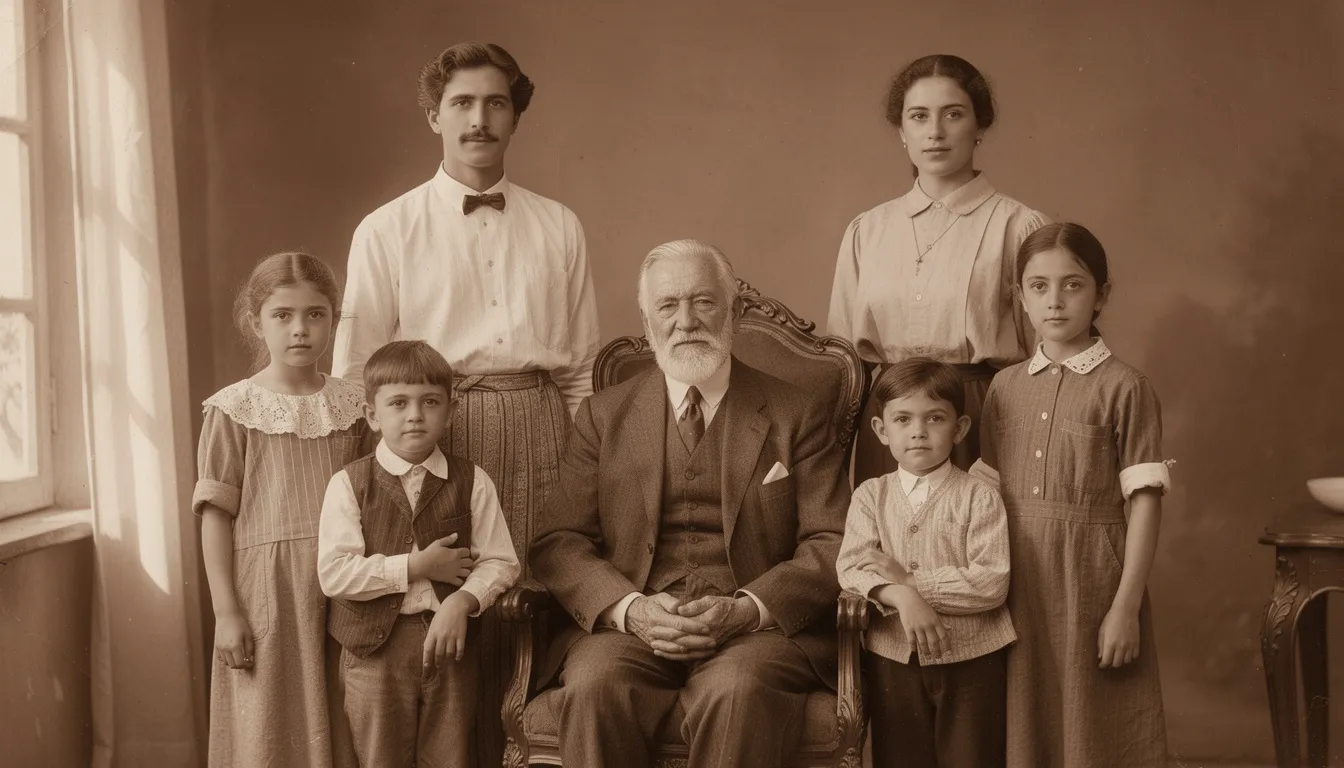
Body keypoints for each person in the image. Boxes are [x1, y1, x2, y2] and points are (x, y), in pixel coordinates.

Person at [331, 41, 599, 765]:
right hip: (431, 428)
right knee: (439, 613)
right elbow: (357, 376)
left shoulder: (559, 224)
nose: (479, 119)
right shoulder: (388, 228)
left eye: (496, 103)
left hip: (541, 427)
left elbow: (578, 371)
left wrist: (582, 464)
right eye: (462, 104)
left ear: (516, 117)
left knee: (532, 595)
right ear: (433, 117)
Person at [529, 239, 851, 768]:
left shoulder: (796, 412)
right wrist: (631, 611)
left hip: (755, 633)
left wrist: (746, 609)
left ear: (735, 311)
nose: (686, 321)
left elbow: (831, 540)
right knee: (593, 685)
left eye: (703, 301)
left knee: (736, 690)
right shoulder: (603, 416)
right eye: (667, 305)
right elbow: (559, 542)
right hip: (637, 620)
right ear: (646, 317)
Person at [974, 222, 1170, 767]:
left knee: (1095, 721)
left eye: (1073, 284)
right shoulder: (1004, 387)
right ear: (1019, 296)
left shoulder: (1125, 387)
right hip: (1015, 581)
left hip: (1092, 582)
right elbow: (985, 497)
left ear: (1102, 294)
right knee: (1024, 719)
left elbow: (1146, 502)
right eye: (1038, 286)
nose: (1054, 301)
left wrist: (1125, 606)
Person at [828, 53, 1049, 481]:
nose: (935, 132)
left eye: (953, 114)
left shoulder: (1018, 227)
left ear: (980, 126)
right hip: (888, 426)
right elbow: (841, 364)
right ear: (902, 131)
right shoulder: (866, 229)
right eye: (919, 116)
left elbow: (1046, 354)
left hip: (981, 420)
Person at [194, 252, 369, 767]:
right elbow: (215, 514)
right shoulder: (235, 408)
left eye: (315, 315)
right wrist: (226, 610)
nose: (300, 330)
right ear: (256, 322)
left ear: (333, 323)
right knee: (268, 726)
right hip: (266, 590)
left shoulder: (353, 405)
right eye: (282, 315)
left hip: (341, 584)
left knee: (342, 718)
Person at [318, 340, 521, 768]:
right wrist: (415, 566)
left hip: (450, 645)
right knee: (380, 757)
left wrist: (463, 603)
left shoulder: (472, 481)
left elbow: (501, 561)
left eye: (430, 402)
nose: (415, 414)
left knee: (449, 756)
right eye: (398, 403)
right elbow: (334, 573)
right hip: (374, 652)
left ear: (450, 411)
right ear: (372, 415)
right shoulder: (349, 484)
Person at [836, 357, 1014, 768]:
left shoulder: (979, 496)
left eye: (935, 418)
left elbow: (991, 582)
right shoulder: (870, 495)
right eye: (902, 419)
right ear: (881, 430)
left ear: (960, 428)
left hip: (973, 660)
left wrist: (915, 581)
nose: (918, 432)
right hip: (893, 658)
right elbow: (851, 567)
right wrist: (901, 594)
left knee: (973, 759)